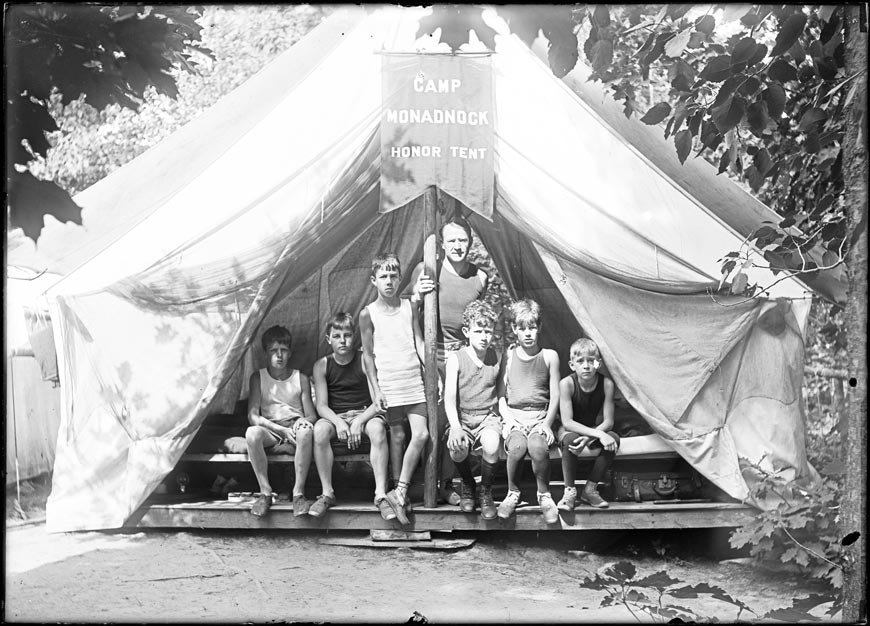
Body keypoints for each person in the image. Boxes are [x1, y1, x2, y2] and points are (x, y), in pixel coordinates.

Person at [409, 215, 489, 505]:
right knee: (432, 420)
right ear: (441, 244)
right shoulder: (427, 268)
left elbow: (477, 323)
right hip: (430, 354)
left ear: (470, 242)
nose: (458, 246)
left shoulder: (480, 277)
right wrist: (418, 295)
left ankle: (453, 483)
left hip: (461, 358)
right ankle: (424, 484)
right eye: (452, 240)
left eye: (463, 240)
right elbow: (411, 316)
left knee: (455, 420)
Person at [360, 252, 430, 525]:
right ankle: (399, 493)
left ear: (401, 278)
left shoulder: (409, 307)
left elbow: (419, 342)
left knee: (421, 434)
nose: (389, 281)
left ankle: (399, 491)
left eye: (393, 276)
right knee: (398, 436)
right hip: (389, 383)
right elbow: (368, 356)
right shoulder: (368, 313)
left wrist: (432, 373)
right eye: (383, 277)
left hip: (412, 379)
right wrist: (376, 391)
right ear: (373, 280)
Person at [310, 312, 396, 521]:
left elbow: (378, 401)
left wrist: (359, 420)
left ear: (354, 337)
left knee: (377, 429)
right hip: (335, 416)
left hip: (364, 413)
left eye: (347, 335)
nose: (343, 340)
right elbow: (321, 406)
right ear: (328, 339)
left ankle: (381, 494)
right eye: (337, 336)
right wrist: (339, 422)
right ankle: (327, 493)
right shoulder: (322, 365)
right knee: (320, 430)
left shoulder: (364, 361)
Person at [496, 299, 561, 523]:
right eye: (522, 328)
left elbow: (555, 396)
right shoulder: (507, 356)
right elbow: (500, 396)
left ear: (539, 327)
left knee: (537, 447)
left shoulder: (550, 356)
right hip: (514, 416)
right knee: (516, 446)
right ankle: (512, 492)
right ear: (514, 329)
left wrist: (546, 424)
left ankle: (544, 495)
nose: (527, 333)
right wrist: (509, 421)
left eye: (532, 327)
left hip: (540, 416)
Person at [245, 325, 317, 518]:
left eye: (283, 350)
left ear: (290, 352)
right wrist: (279, 430)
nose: (279, 356)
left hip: (294, 426)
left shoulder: (300, 378)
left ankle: (298, 493)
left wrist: (301, 422)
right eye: (274, 351)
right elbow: (253, 416)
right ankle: (265, 492)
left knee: (306, 431)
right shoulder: (257, 377)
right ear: (266, 353)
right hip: (271, 429)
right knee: (252, 433)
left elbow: (311, 415)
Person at [443, 300, 503, 520]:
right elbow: (449, 399)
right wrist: (456, 427)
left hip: (487, 417)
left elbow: (501, 392)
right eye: (478, 331)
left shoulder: (496, 356)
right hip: (463, 419)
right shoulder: (456, 359)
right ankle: (468, 484)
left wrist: (505, 419)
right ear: (467, 331)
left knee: (492, 443)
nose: (484, 336)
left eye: (488, 331)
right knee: (456, 448)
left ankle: (485, 490)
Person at [556, 337, 620, 510]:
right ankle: (569, 492)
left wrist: (590, 436)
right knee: (570, 440)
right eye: (580, 361)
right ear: (571, 365)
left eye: (591, 361)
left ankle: (590, 489)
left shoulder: (606, 384)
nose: (586, 365)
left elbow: (609, 421)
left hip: (591, 429)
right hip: (571, 429)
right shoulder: (566, 384)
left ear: (598, 363)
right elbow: (567, 422)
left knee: (614, 438)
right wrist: (596, 435)